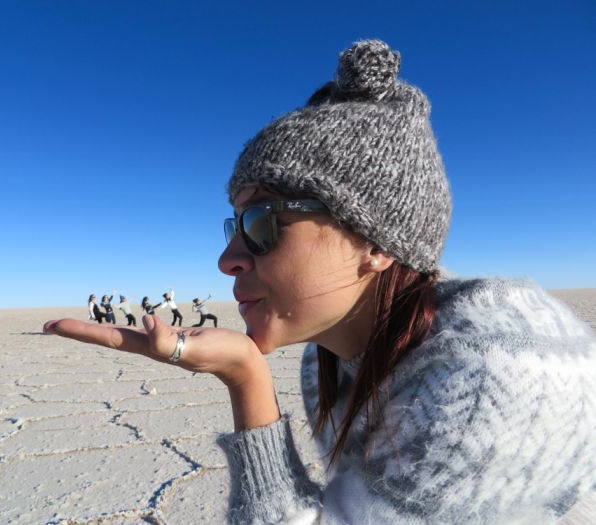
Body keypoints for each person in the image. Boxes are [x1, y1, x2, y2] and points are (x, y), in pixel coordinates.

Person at [44, 40, 596, 524]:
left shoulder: (494, 372)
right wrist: (246, 372)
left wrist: (247, 380)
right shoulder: (327, 356)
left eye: (262, 222)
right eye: (233, 223)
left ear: (375, 244)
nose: (227, 258)